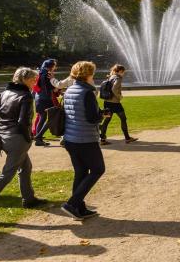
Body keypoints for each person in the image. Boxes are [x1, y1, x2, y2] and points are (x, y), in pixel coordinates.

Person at [0, 68, 46, 225]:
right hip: (17, 139)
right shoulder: (26, 96)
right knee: (6, 174)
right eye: (33, 79)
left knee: (26, 167)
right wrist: (29, 138)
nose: (35, 82)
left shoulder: (4, 93)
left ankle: (29, 199)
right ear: (25, 80)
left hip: (2, 136)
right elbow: (23, 123)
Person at [61, 61, 111, 220]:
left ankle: (79, 209)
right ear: (88, 74)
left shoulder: (69, 90)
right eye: (92, 73)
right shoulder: (87, 92)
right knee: (98, 169)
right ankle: (72, 203)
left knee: (81, 172)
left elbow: (76, 112)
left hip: (70, 138)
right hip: (85, 139)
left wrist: (98, 113)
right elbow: (91, 118)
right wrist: (102, 115)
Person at [32, 59, 72, 147]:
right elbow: (53, 88)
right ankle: (38, 137)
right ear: (51, 66)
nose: (55, 67)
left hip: (39, 98)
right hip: (46, 99)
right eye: (54, 66)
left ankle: (38, 139)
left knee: (42, 118)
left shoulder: (40, 73)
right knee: (52, 118)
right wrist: (60, 87)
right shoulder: (48, 74)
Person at [99, 64, 137, 145]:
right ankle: (127, 138)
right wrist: (119, 97)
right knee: (123, 119)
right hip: (115, 103)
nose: (123, 74)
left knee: (107, 120)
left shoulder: (110, 77)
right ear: (120, 71)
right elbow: (114, 89)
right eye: (123, 72)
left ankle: (102, 139)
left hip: (107, 101)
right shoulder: (118, 78)